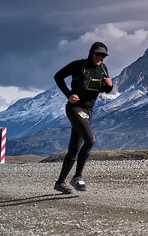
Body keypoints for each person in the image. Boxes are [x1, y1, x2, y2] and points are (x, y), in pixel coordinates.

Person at [53, 42, 113, 194]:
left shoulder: (103, 69)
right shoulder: (79, 65)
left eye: (103, 56)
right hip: (75, 108)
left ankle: (60, 183)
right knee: (90, 140)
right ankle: (77, 176)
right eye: (97, 54)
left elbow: (105, 90)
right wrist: (69, 95)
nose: (100, 57)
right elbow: (58, 76)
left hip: (89, 110)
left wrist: (110, 86)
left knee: (74, 149)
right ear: (91, 53)